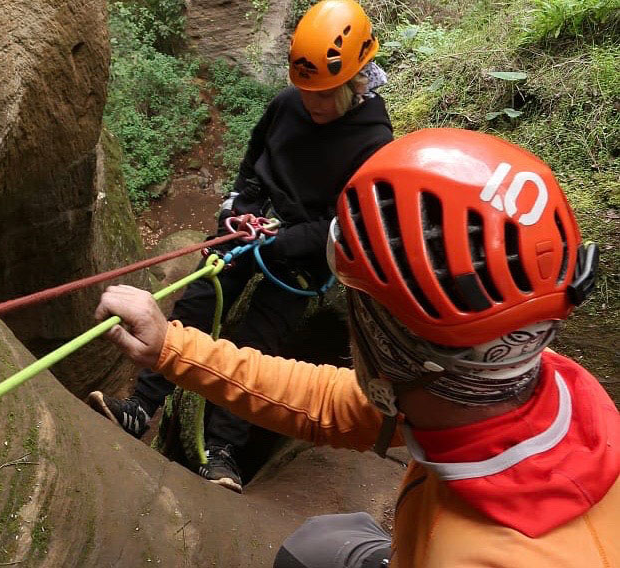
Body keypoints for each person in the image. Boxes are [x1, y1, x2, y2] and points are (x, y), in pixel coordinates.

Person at [93, 128, 619, 567]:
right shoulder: (529, 388)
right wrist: (170, 347)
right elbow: (330, 403)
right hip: (419, 540)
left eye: (359, 308)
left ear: (393, 350)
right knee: (320, 546)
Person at [88, 0, 393, 493]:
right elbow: (255, 162)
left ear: (356, 82)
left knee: (260, 337)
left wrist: (281, 241)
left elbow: (347, 225)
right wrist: (238, 209)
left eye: (323, 94)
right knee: (200, 297)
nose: (311, 105)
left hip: (305, 255)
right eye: (305, 90)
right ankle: (141, 407)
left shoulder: (374, 141)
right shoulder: (288, 103)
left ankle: (223, 447)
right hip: (254, 230)